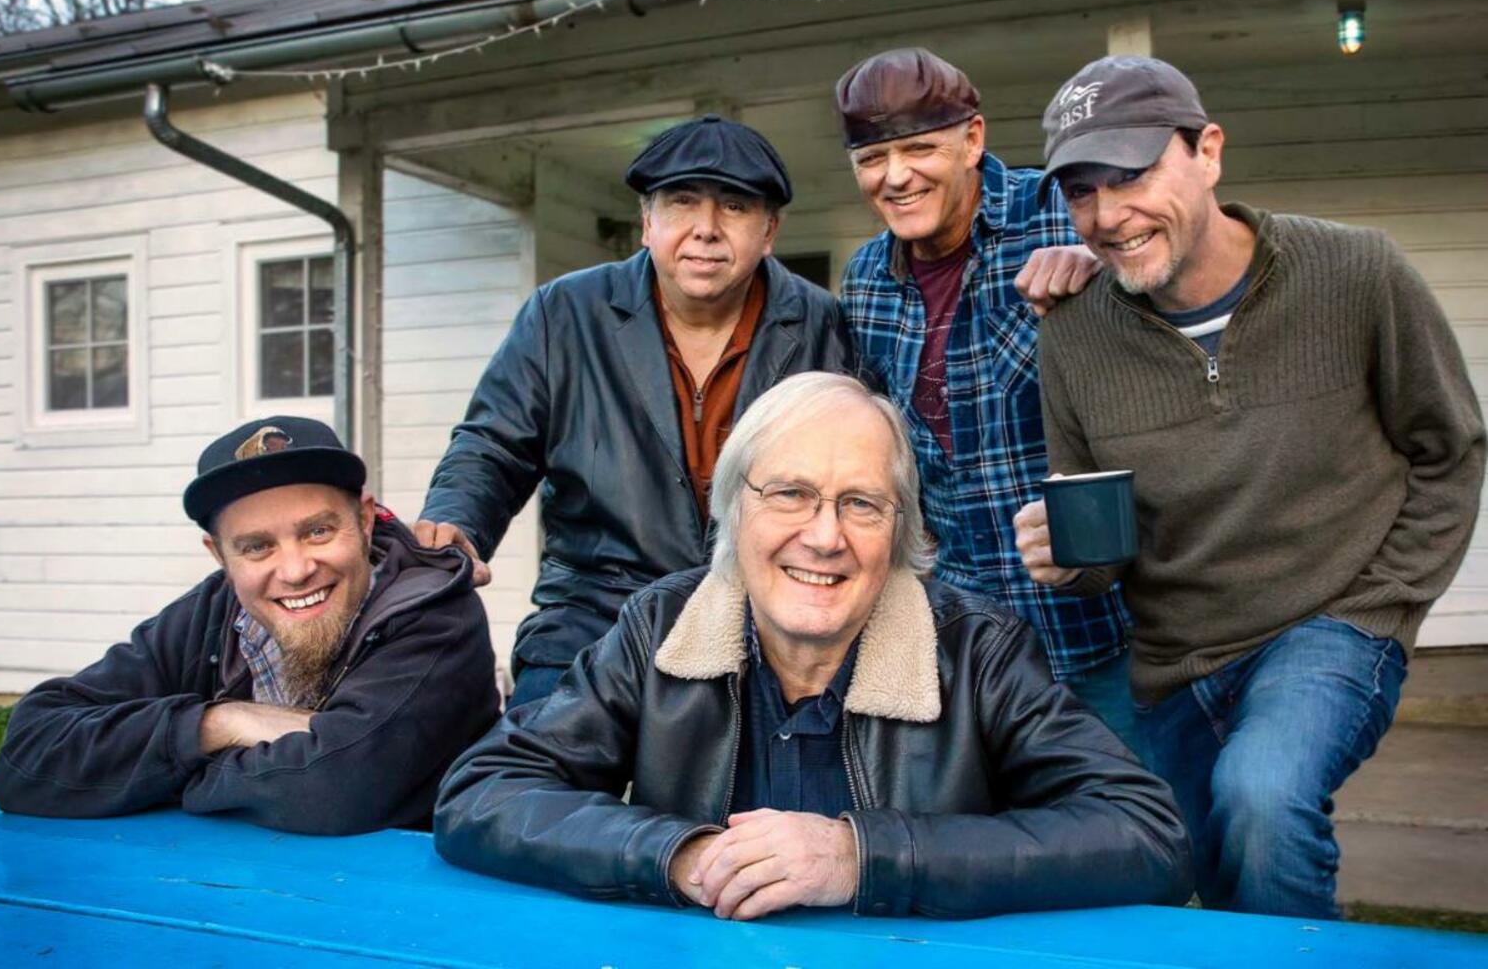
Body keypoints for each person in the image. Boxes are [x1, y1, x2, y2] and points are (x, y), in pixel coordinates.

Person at [434, 373, 1191, 921]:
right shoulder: (661, 628)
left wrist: (860, 857)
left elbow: (1147, 834)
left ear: (901, 530)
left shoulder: (975, 651)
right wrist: (681, 854)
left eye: (861, 504)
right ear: (734, 505)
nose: (824, 537)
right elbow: (482, 793)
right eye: (789, 494)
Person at [1013, 55, 1485, 918]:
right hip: (1175, 663)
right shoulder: (1072, 336)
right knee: (1214, 880)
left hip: (1329, 626)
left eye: (1134, 174)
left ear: (1209, 151)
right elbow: (1102, 552)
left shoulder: (1356, 274)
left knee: (1265, 801)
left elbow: (1449, 448)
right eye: (1082, 191)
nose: (1110, 216)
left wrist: (1387, 604)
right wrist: (1064, 559)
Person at [415, 115, 848, 709]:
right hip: (594, 610)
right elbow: (494, 444)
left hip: (765, 615)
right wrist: (454, 522)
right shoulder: (564, 312)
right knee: (525, 776)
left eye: (735, 208)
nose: (706, 230)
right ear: (647, 223)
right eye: (682, 204)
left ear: (770, 230)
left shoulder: (824, 325)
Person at [0, 416, 500, 835]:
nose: (296, 569)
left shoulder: (437, 612)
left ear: (364, 520)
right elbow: (26, 760)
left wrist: (155, 771)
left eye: (318, 531)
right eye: (257, 546)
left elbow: (333, 790)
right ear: (220, 556)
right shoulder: (210, 612)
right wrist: (217, 723)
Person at [835, 48, 1137, 745]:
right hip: (961, 640)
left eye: (918, 149)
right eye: (872, 158)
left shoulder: (1064, 215)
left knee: (1138, 837)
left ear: (973, 140)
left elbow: (1171, 310)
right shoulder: (867, 280)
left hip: (1097, 630)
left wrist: (1110, 271)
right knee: (999, 846)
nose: (896, 176)